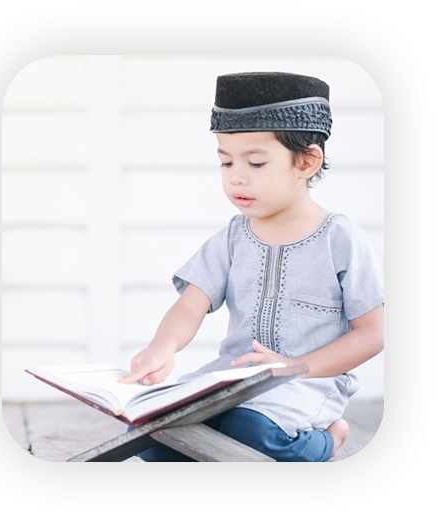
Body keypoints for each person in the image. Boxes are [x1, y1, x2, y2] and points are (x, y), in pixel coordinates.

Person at [119, 72, 384, 461]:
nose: (236, 177)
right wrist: (163, 347)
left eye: (256, 163)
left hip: (306, 381)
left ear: (308, 161)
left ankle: (329, 439)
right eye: (226, 162)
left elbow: (373, 332)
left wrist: (298, 366)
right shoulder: (233, 236)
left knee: (250, 430)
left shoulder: (340, 239)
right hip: (231, 378)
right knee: (150, 432)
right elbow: (191, 304)